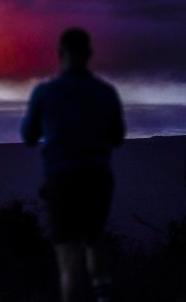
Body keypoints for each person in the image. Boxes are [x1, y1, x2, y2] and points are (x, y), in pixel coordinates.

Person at [21, 27, 125, 302]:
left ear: (60, 54)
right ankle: (103, 295)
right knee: (94, 239)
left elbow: (29, 136)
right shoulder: (106, 92)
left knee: (68, 256)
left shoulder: (45, 93)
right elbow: (117, 137)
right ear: (89, 54)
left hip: (62, 179)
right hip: (98, 177)